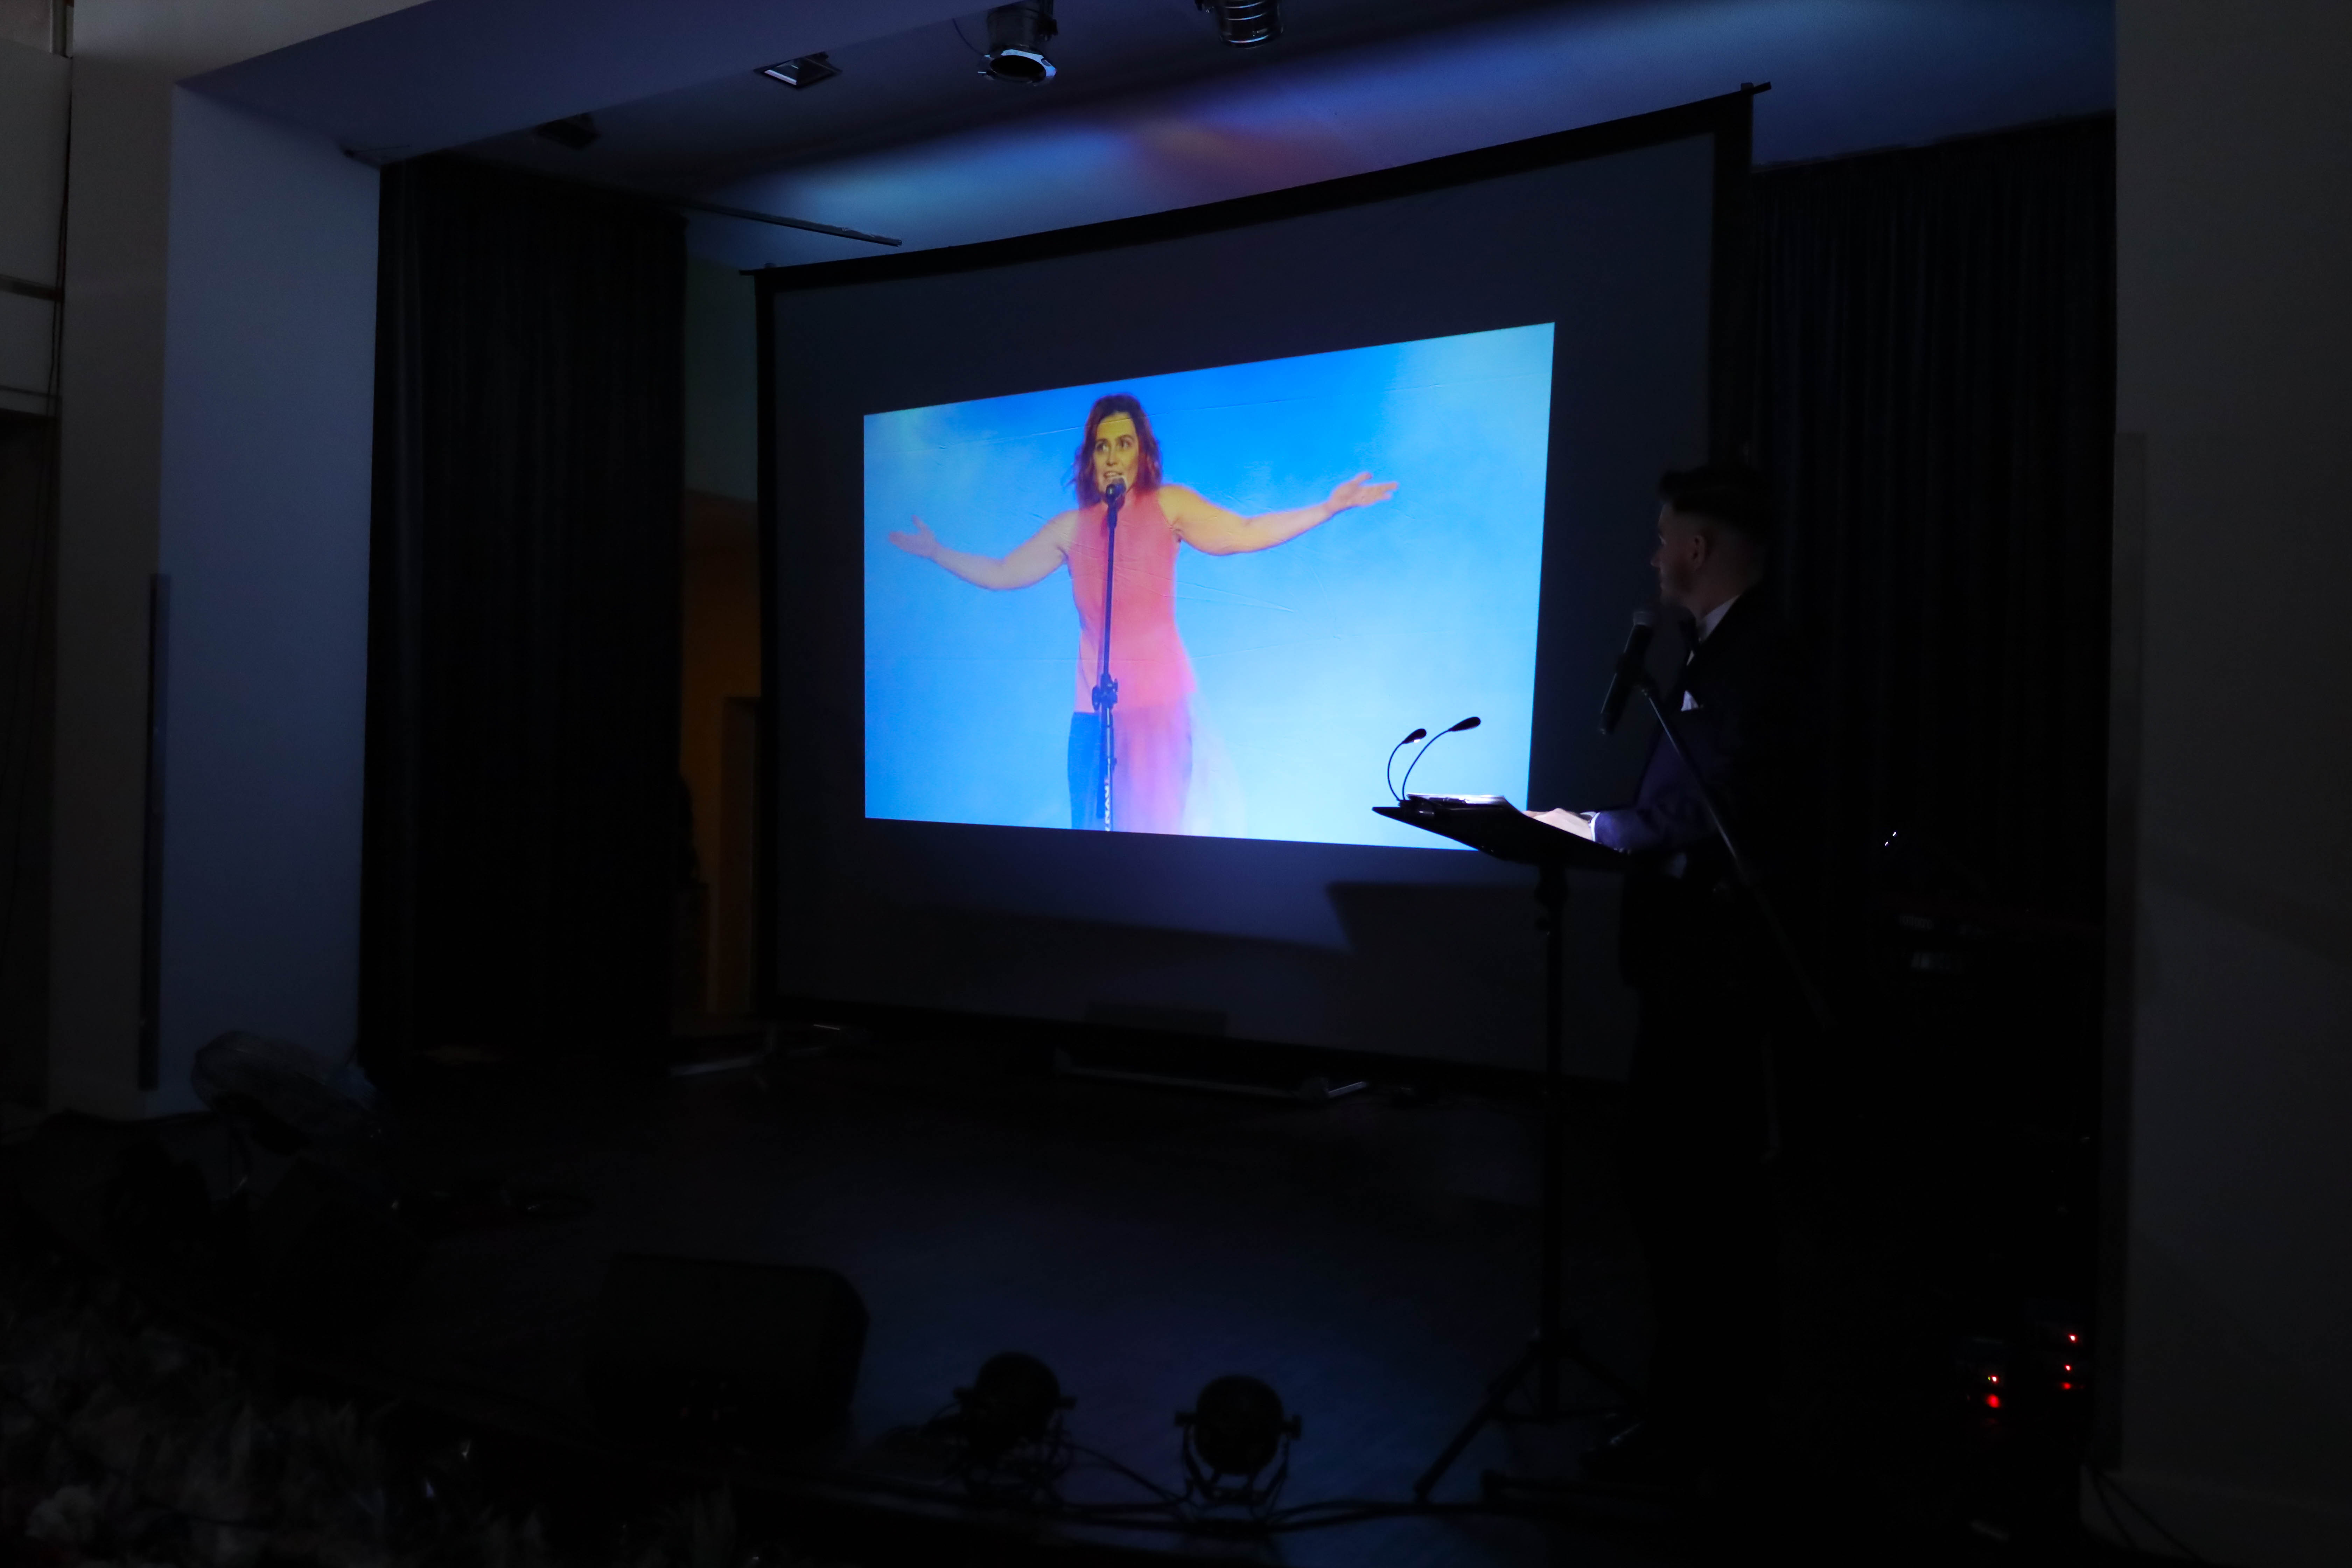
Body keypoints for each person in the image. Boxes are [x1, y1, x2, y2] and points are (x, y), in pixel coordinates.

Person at [1569, 462, 1808, 1490]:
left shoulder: (1759, 655)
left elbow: (1723, 800)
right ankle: (1694, 1408)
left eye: (1665, 536)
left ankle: (1707, 1418)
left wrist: (1598, 829)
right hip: (1687, 967)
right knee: (1675, 1185)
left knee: (1694, 1191)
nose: (1653, 555)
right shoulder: (1719, 649)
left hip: (1716, 971)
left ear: (1699, 549)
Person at [888, 393, 1396, 833]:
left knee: (1154, 843)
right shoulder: (1071, 529)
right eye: (1102, 446)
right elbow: (1004, 571)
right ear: (1090, 458)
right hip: (1095, 717)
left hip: (1160, 713)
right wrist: (938, 553)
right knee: (1092, 841)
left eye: (1124, 443)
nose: (1112, 456)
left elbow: (1243, 533)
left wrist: (1326, 509)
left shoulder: (1169, 506)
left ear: (1142, 453)